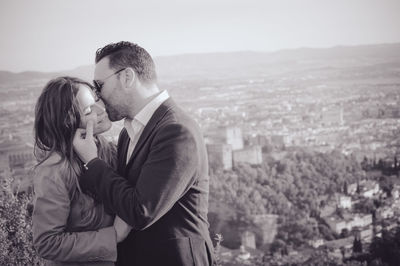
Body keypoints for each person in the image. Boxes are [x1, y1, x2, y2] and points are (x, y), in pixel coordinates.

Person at [73, 41, 214, 266]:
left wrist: (91, 160)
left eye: (99, 86)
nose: (97, 97)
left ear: (127, 77)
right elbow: (118, 198)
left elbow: (141, 211)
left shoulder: (176, 131)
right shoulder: (129, 133)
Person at [32, 76, 130, 265]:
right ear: (68, 123)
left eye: (96, 101)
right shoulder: (54, 171)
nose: (101, 110)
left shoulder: (110, 151)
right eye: (88, 110)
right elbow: (46, 243)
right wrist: (113, 236)